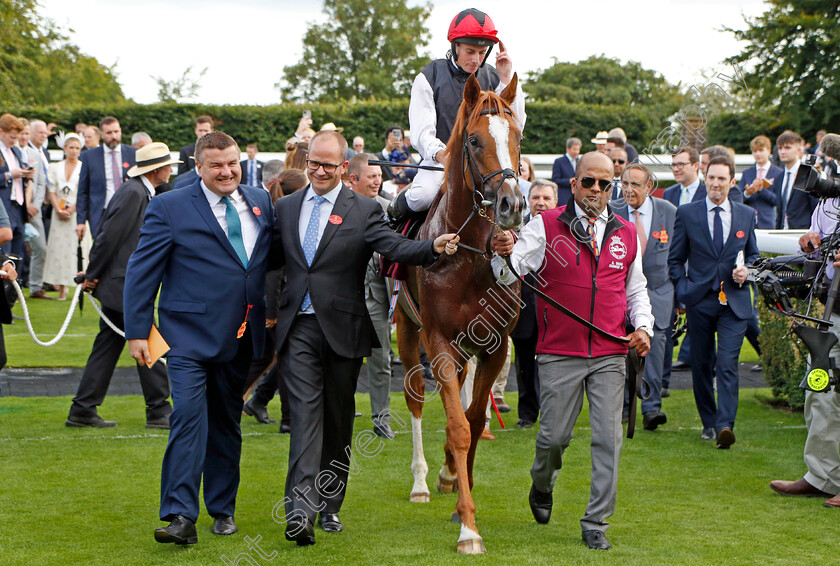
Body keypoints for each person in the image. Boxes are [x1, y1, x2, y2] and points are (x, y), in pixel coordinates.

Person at [270, 130, 458, 545]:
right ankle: (300, 512)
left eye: (328, 165)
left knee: (338, 422)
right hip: (297, 327)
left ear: (343, 167)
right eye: (313, 163)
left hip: (343, 330)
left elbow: (393, 247)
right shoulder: (285, 207)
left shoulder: (364, 209)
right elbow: (267, 260)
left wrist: (432, 248)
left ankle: (330, 505)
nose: (319, 171)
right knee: (304, 417)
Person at [490, 151, 652, 550]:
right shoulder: (545, 224)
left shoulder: (627, 233)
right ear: (574, 183)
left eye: (605, 184)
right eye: (589, 182)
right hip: (559, 350)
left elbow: (636, 289)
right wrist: (502, 252)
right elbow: (509, 271)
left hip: (611, 353)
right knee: (553, 437)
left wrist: (644, 327)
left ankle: (596, 521)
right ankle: (541, 484)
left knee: (608, 439)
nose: (597, 190)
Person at [124, 131, 273, 545]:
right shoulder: (168, 206)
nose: (226, 172)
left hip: (241, 336)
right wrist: (138, 331)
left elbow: (268, 261)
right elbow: (142, 270)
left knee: (226, 423)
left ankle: (222, 509)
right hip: (185, 336)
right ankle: (179, 516)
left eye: (232, 163)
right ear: (198, 167)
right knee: (188, 416)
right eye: (216, 165)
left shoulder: (260, 202)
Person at [67, 142, 180, 429]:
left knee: (108, 347)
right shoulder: (134, 194)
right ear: (157, 170)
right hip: (123, 284)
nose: (170, 170)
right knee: (148, 341)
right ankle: (159, 410)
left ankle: (83, 408)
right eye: (167, 166)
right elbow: (108, 237)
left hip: (123, 282)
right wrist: (92, 273)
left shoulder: (139, 191)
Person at [387, 7, 526, 222]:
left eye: (482, 53)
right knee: (422, 196)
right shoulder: (429, 76)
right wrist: (445, 156)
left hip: (484, 165)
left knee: (515, 200)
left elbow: (515, 125)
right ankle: (392, 222)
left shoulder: (494, 77)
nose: (476, 59)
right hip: (441, 162)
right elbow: (422, 134)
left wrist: (506, 76)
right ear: (455, 46)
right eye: (470, 51)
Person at [668, 156, 759, 448]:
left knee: (728, 362)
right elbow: (675, 259)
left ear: (732, 182)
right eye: (711, 178)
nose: (715, 184)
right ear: (704, 178)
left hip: (735, 302)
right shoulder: (687, 213)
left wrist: (749, 271)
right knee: (702, 363)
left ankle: (725, 425)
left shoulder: (746, 214)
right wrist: (683, 290)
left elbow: (754, 256)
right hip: (700, 300)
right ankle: (709, 421)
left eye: (722, 179)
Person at [770, 199, 840, 508]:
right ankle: (821, 476)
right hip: (833, 308)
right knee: (820, 389)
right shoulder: (829, 202)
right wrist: (810, 243)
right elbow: (817, 238)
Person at [613, 163, 677, 430]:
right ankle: (625, 407)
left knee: (655, 348)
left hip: (659, 292)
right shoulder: (613, 210)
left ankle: (651, 409)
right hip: (621, 292)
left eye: (635, 185)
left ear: (649, 187)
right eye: (624, 184)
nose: (628, 190)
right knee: (621, 349)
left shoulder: (669, 212)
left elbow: (677, 253)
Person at [346, 153, 396, 439]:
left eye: (379, 176)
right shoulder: (336, 207)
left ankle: (381, 419)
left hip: (377, 298)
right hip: (343, 298)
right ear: (353, 179)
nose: (377, 181)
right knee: (343, 360)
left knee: (381, 361)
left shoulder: (389, 210)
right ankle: (343, 413)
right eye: (371, 176)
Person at [509, 179, 558, 428]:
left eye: (546, 198)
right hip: (525, 306)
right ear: (528, 201)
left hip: (559, 311)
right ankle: (527, 413)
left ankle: (555, 412)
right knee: (525, 365)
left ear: (556, 202)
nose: (540, 202)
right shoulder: (514, 229)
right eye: (536, 197)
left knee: (557, 366)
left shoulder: (567, 230)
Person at [43, 134, 92, 300]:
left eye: (77, 148)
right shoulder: (55, 167)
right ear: (64, 148)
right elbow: (52, 190)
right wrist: (57, 209)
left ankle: (82, 283)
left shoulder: (84, 167)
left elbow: (85, 192)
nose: (74, 151)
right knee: (59, 249)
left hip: (77, 213)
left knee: (77, 248)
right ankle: (61, 287)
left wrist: (72, 209)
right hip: (58, 212)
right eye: (71, 147)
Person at [76, 116, 137, 239]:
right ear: (102, 135)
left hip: (128, 212)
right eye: (109, 133)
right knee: (101, 253)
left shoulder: (133, 154)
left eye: (116, 132)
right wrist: (81, 221)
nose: (113, 136)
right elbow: (83, 191)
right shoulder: (88, 157)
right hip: (101, 214)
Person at [19, 119, 50, 299]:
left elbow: (40, 184)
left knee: (41, 248)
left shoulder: (35, 155)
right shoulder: (8, 153)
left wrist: (34, 205)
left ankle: (35, 287)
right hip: (14, 209)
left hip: (34, 211)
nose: (23, 137)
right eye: (21, 133)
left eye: (25, 133)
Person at [0, 114, 34, 265]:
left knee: (18, 251)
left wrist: (26, 175)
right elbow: (7, 176)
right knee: (5, 249)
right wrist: (9, 175)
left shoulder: (17, 152)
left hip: (19, 207)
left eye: (16, 137)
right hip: (4, 204)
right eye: (11, 137)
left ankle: (15, 286)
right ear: (1, 131)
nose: (15, 140)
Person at [775, 130, 819, 230]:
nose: (782, 151)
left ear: (799, 150)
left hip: (803, 232)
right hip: (782, 233)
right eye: (780, 148)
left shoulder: (808, 175)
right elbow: (781, 211)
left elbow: (816, 208)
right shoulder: (779, 178)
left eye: (787, 148)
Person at [741, 135, 783, 229]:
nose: (758, 154)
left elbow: (778, 200)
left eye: (761, 150)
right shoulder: (747, 173)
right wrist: (747, 193)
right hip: (748, 223)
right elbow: (738, 199)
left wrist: (761, 190)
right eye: (755, 151)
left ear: (769, 151)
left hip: (768, 223)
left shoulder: (778, 173)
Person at [551, 137, 581, 205]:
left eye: (578, 150)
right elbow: (555, 180)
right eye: (574, 149)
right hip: (564, 197)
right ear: (568, 149)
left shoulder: (579, 161)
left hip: (577, 197)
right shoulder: (559, 161)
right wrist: (569, 181)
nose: (576, 152)